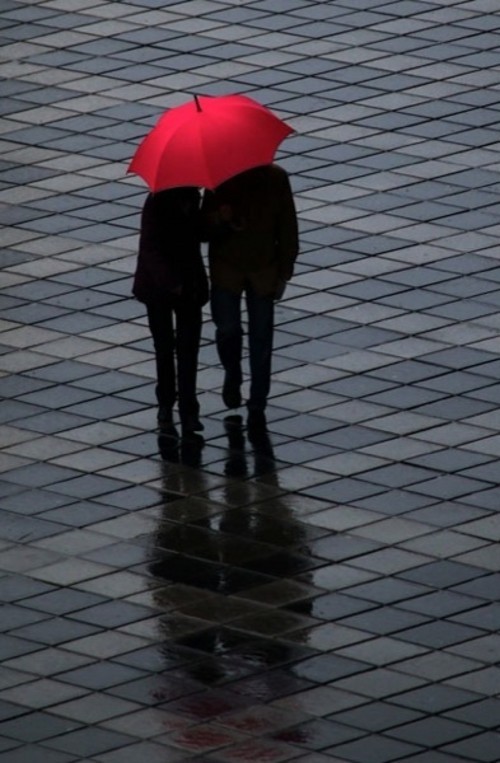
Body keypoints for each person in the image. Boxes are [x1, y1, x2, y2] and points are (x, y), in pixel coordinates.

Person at [201, 163, 298, 427]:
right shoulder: (218, 180)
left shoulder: (276, 179)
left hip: (263, 268)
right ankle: (233, 372)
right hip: (227, 269)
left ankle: (258, 399)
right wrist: (221, 219)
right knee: (228, 329)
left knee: (261, 337)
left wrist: (284, 270)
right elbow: (203, 229)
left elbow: (287, 224)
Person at [133, 187, 208, 436]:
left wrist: (222, 222)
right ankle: (166, 403)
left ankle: (189, 410)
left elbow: (200, 234)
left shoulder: (194, 198)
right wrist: (172, 283)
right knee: (164, 347)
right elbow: (150, 249)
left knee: (188, 350)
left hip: (189, 287)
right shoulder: (156, 201)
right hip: (159, 289)